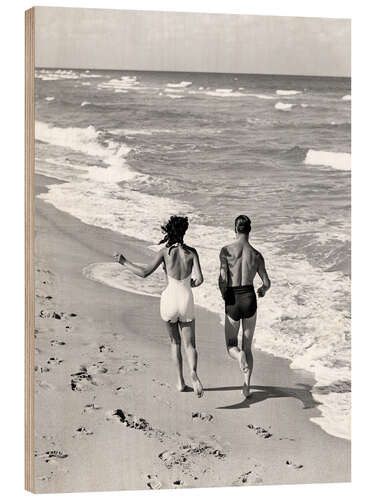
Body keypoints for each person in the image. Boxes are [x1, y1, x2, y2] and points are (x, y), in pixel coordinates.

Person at [114, 215, 204, 397]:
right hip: (186, 299)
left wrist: (124, 261)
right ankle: (193, 372)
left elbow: (144, 272)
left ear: (170, 231)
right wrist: (191, 284)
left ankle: (180, 381)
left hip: (169, 299)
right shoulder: (192, 252)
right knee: (190, 344)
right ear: (184, 232)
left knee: (174, 342)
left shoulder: (165, 252)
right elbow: (200, 279)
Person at [218, 215, 270, 399]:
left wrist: (224, 293)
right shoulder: (256, 255)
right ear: (249, 230)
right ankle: (247, 386)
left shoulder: (226, 251)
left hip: (233, 299)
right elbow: (266, 282)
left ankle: (238, 356)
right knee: (247, 347)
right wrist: (262, 290)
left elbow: (223, 278)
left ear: (235, 228)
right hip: (249, 298)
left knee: (232, 345)